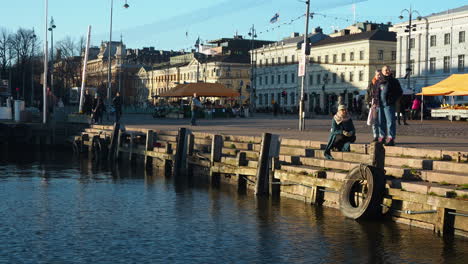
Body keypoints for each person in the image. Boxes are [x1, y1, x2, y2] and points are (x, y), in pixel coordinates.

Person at [378, 65, 402, 146]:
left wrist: (392, 100)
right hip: (380, 104)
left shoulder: (394, 81)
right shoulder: (380, 81)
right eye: (385, 70)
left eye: (388, 70)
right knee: (381, 121)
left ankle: (391, 138)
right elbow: (375, 92)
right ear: (382, 71)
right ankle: (382, 137)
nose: (387, 71)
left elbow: (399, 92)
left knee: (390, 121)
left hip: (389, 104)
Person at [366, 70, 382, 142]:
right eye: (378, 75)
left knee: (381, 121)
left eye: (380, 75)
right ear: (375, 75)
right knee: (375, 121)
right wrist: (368, 102)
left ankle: (382, 136)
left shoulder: (383, 83)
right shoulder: (372, 83)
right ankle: (376, 136)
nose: (379, 76)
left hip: (382, 105)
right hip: (374, 105)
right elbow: (368, 93)